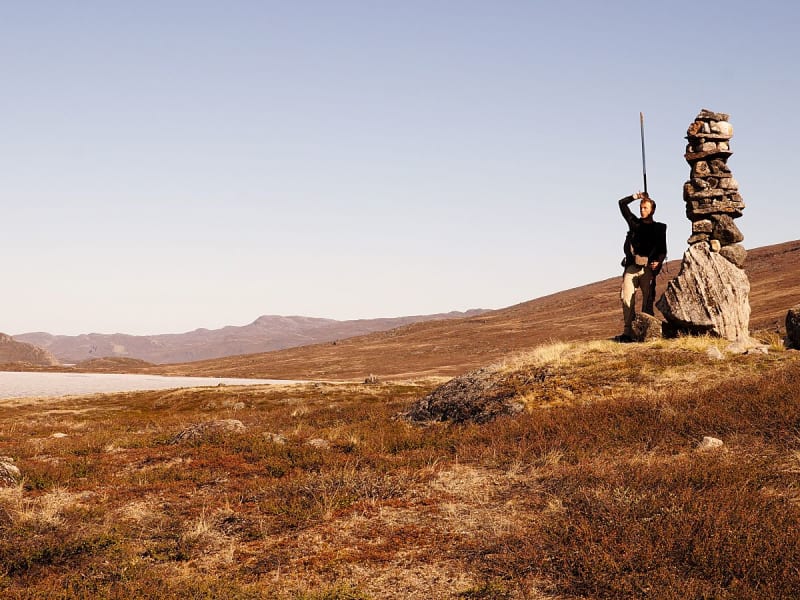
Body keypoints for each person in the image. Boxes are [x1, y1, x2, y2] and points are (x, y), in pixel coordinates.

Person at [617, 191, 667, 342]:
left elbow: (662, 249)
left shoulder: (659, 228)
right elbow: (621, 204)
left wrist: (658, 262)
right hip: (632, 267)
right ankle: (628, 333)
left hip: (648, 269)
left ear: (652, 210)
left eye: (645, 208)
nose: (642, 210)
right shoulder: (634, 223)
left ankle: (646, 332)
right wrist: (635, 197)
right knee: (626, 298)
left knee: (648, 300)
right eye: (641, 208)